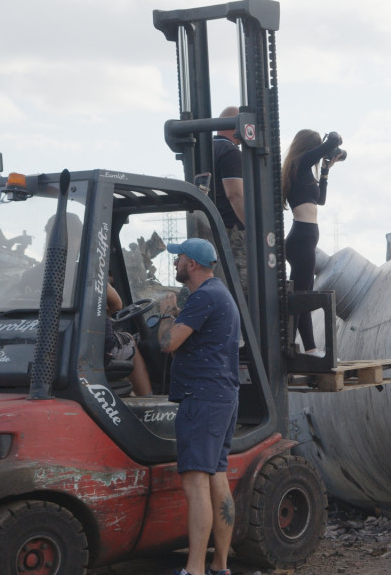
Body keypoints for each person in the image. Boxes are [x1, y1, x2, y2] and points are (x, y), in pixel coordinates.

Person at [158, 238, 240, 575]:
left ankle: (193, 570)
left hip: (201, 399)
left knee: (196, 484)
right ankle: (220, 567)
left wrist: (165, 313)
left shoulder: (203, 296)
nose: (175, 263)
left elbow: (168, 343)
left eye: (178, 258)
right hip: (222, 397)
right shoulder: (219, 294)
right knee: (217, 478)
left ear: (191, 264)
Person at [280, 129, 344, 358]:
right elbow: (335, 140)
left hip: (304, 239)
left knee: (303, 293)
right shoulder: (298, 163)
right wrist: (329, 142)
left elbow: (321, 199)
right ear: (310, 146)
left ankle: (309, 348)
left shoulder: (304, 169)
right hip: (301, 240)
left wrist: (326, 170)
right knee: (302, 297)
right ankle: (302, 347)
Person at [212, 106, 247, 295]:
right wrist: (252, 228)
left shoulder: (203, 149)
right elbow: (235, 195)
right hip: (232, 234)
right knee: (241, 292)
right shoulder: (230, 152)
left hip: (210, 231)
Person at [105, 282, 153, 396]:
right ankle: (146, 396)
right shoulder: (94, 273)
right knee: (129, 339)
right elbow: (117, 304)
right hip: (101, 346)